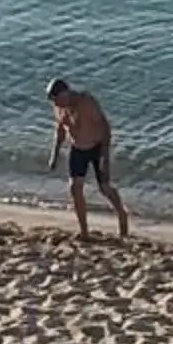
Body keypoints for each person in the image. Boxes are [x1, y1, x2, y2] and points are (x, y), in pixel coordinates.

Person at [45, 77, 129, 243]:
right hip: (77, 149)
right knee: (75, 188)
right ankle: (84, 231)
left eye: (57, 100)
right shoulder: (60, 108)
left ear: (65, 93)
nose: (56, 104)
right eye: (53, 101)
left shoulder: (87, 102)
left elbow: (105, 127)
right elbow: (60, 130)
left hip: (97, 147)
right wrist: (54, 154)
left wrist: (105, 157)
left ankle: (122, 216)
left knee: (105, 188)